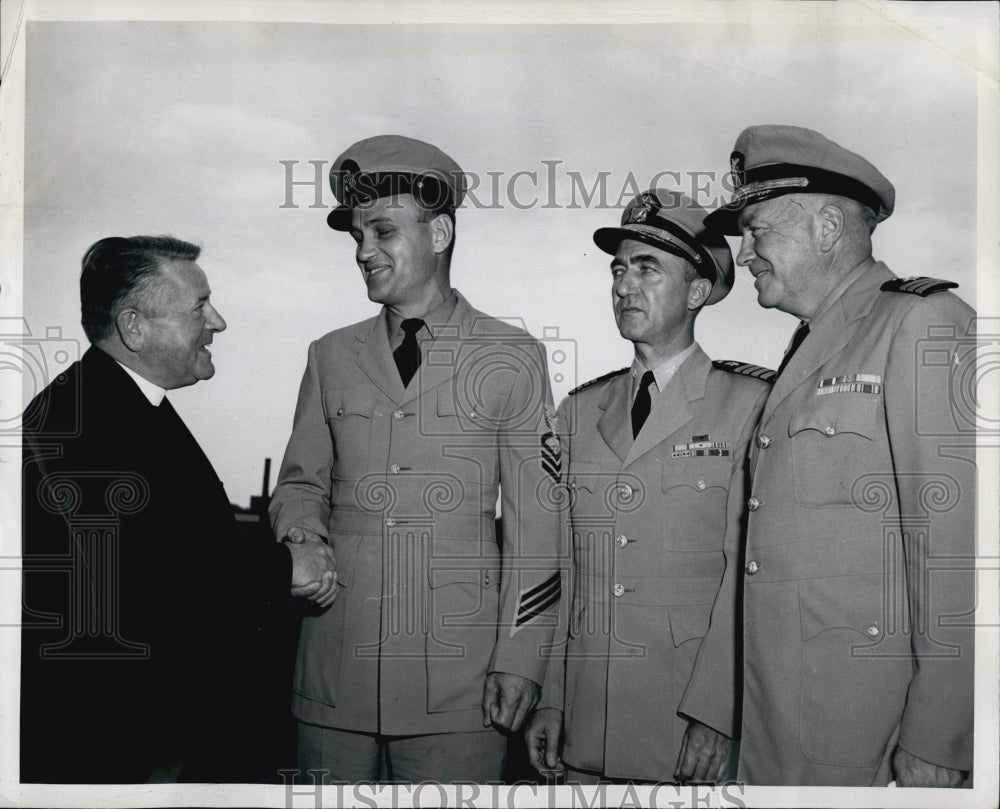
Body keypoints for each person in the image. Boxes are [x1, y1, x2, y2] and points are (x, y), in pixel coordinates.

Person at [269, 135, 562, 783]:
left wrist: (520, 656)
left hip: (457, 682)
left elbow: (538, 528)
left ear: (440, 231)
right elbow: (298, 482)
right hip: (333, 670)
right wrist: (300, 535)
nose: (362, 251)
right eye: (356, 235)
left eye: (381, 231)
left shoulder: (510, 356)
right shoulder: (330, 355)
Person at [701, 125, 976, 787]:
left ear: (827, 227)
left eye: (757, 227)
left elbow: (960, 548)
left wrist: (942, 736)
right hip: (786, 725)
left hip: (871, 736)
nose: (746, 252)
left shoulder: (921, 323)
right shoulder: (812, 346)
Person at [20, 235, 337, 784]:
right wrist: (289, 567)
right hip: (112, 751)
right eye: (199, 307)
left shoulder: (114, 403)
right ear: (134, 327)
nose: (218, 321)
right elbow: (152, 570)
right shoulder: (82, 420)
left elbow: (175, 542)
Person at [523, 189, 772, 785]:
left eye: (646, 268)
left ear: (697, 292)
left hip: (684, 726)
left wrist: (718, 712)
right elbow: (566, 571)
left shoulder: (749, 406)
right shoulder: (579, 412)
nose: (623, 285)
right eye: (618, 267)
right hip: (584, 726)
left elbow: (748, 579)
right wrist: (552, 699)